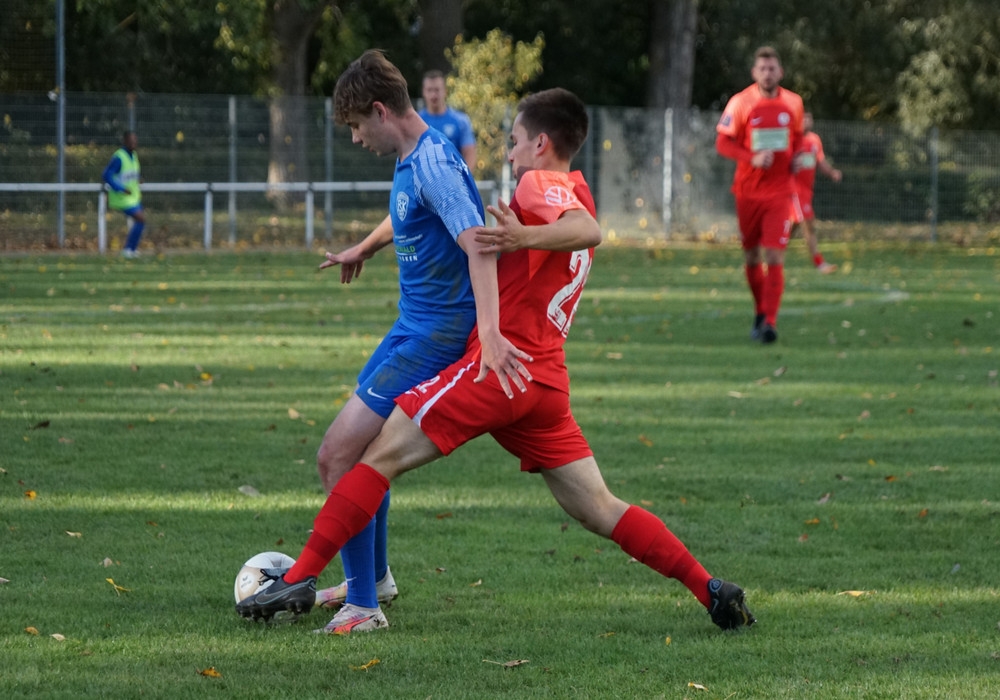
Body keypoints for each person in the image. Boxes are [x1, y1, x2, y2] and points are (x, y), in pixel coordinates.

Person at [236, 87, 756, 634]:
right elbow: (456, 218)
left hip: (500, 370)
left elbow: (588, 231)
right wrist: (374, 245)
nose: (508, 156)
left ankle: (311, 579)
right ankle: (710, 588)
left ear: (541, 142)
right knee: (600, 507)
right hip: (546, 384)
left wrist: (520, 237)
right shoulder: (575, 186)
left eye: (513, 144)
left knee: (373, 458)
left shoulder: (541, 183)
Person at [305, 49, 527, 635]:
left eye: (356, 126)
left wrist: (489, 333)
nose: (356, 139)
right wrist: (365, 247)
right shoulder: (413, 157)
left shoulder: (431, 160)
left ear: (380, 111)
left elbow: (477, 242)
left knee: (336, 456)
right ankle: (372, 582)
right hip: (411, 325)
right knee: (353, 456)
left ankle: (363, 603)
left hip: (437, 335)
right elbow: (411, 215)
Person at [716, 46, 804, 344]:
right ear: (755, 73)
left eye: (772, 68)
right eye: (762, 68)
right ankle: (759, 311)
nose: (768, 73)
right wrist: (751, 157)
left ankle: (770, 322)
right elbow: (723, 143)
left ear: (780, 72)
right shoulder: (740, 103)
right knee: (752, 255)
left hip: (780, 192)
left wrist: (799, 157)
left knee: (774, 254)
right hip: (748, 192)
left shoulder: (794, 103)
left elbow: (800, 139)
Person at [790, 112, 842, 274]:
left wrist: (832, 172)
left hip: (806, 191)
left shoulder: (814, 140)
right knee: (809, 224)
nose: (807, 121)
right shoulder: (791, 139)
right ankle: (819, 263)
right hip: (793, 191)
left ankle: (768, 261)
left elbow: (820, 161)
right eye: (803, 118)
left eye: (809, 118)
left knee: (789, 228)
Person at [418, 69, 477, 172]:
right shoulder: (417, 121)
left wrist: (462, 180)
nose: (433, 95)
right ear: (423, 92)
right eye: (429, 90)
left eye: (437, 90)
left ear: (445, 91)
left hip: (453, 182)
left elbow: (470, 155)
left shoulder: (460, 121)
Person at [102, 130, 146, 258]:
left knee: (141, 221)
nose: (134, 143)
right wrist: (120, 188)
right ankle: (128, 249)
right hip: (121, 197)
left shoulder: (134, 155)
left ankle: (131, 249)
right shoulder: (119, 157)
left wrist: (138, 179)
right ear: (125, 141)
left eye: (135, 140)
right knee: (140, 219)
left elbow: (129, 174)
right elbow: (106, 175)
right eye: (131, 140)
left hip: (132, 197)